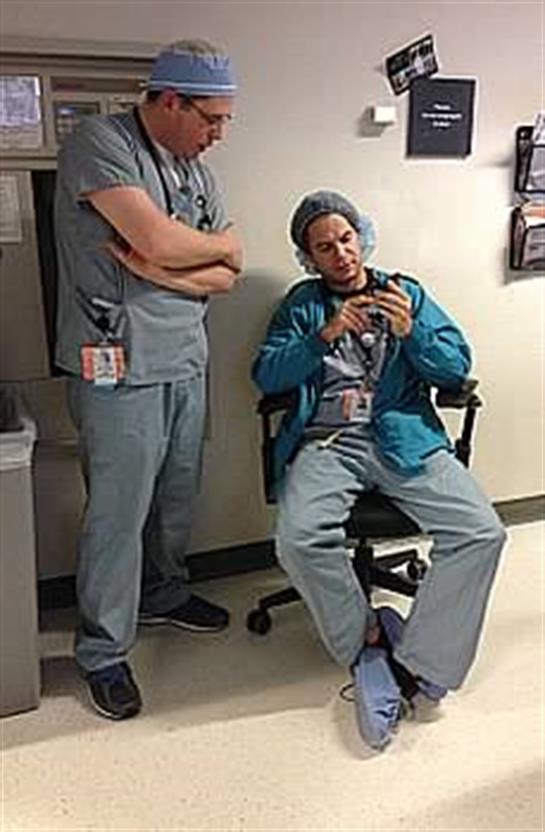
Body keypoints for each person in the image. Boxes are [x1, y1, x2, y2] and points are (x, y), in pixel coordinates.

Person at [251, 190, 506, 750]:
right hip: (329, 441)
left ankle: (421, 661)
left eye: (345, 239)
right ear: (308, 258)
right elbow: (267, 376)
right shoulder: (302, 305)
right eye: (324, 247)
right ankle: (364, 637)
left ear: (361, 236)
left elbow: (456, 368)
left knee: (482, 532)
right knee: (297, 538)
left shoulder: (404, 291)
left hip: (402, 437)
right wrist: (323, 336)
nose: (340, 253)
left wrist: (412, 330)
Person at [55, 40, 243, 720]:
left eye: (224, 121)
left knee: (175, 494)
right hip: (119, 361)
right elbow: (165, 240)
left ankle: (163, 594)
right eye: (210, 119)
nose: (218, 135)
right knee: (118, 511)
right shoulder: (100, 144)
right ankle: (102, 651)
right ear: (169, 101)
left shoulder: (197, 172)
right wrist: (181, 251)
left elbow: (228, 270)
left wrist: (163, 265)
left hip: (184, 356)